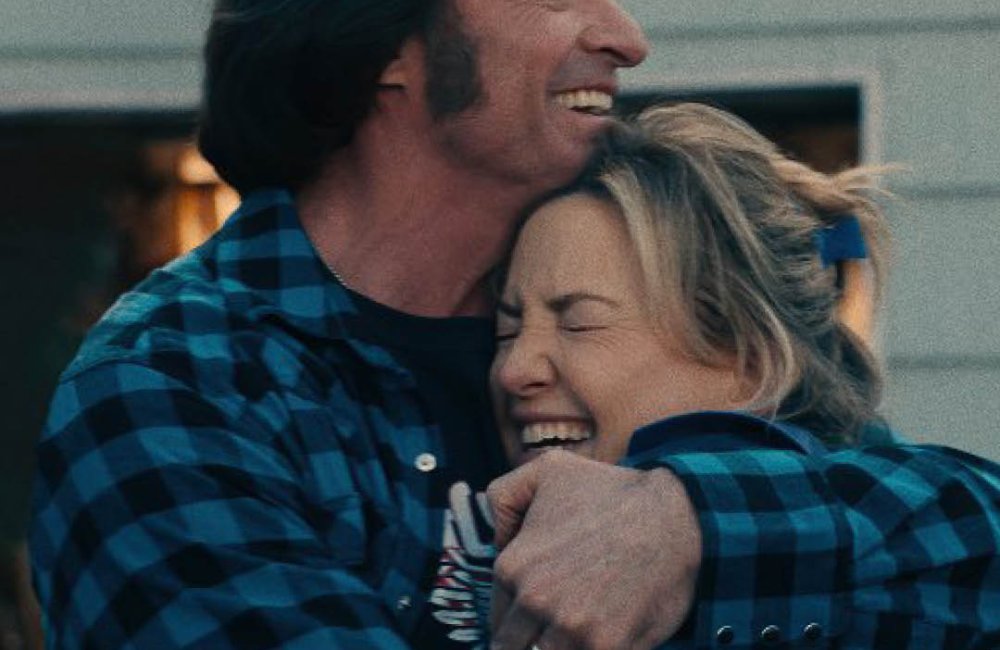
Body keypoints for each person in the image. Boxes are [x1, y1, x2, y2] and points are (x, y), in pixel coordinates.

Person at [28, 0, 999, 647]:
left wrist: (690, 520)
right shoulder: (175, 384)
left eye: (571, 322)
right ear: (388, 50)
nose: (626, 36)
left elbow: (957, 517)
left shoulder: (624, 276)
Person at [486, 105, 1000, 648]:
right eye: (506, 330)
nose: (515, 369)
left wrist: (693, 520)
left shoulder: (881, 577)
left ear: (753, 357)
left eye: (579, 323)